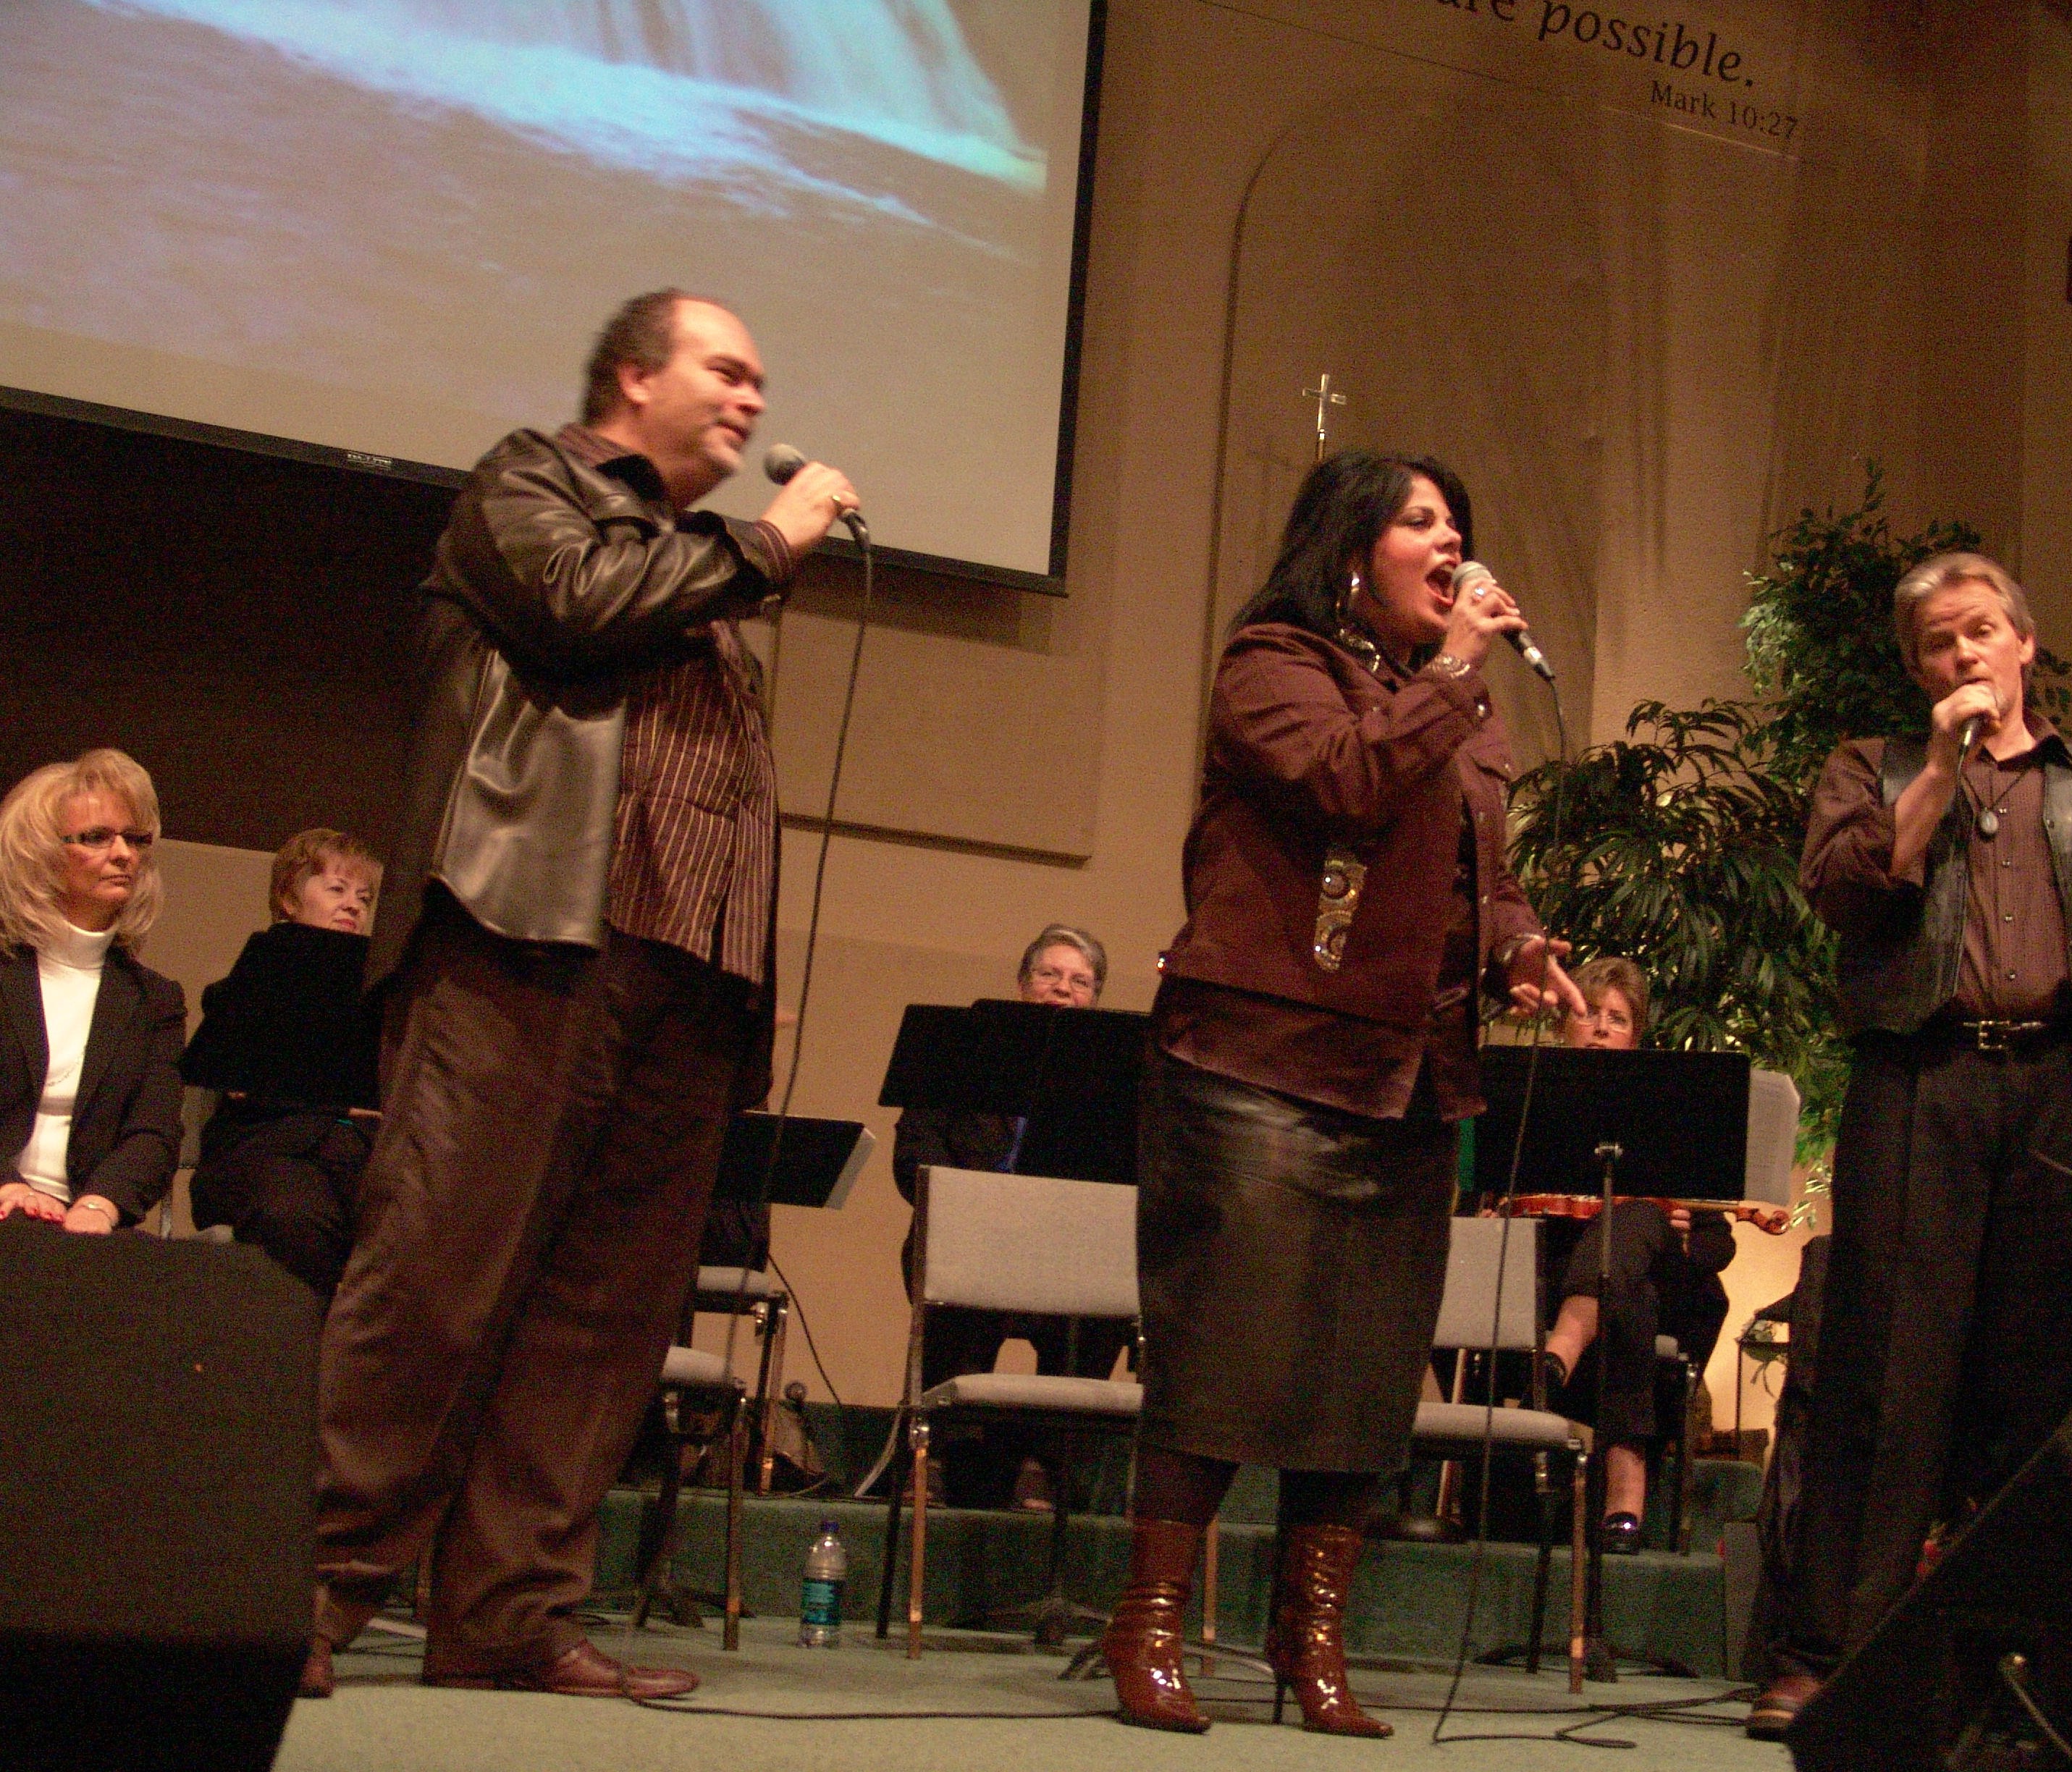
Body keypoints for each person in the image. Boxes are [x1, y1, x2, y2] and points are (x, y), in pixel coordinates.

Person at [303, 289, 858, 1704]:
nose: (751, 398)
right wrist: (768, 543)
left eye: (760, 377)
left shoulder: (688, 564)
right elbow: (572, 606)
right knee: (436, 1276)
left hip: (689, 981)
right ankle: (302, 1588)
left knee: (602, 1323)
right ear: (632, 377)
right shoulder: (530, 484)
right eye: (724, 369)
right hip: (530, 942)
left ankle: (506, 1609)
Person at [1100, 450, 1583, 1736]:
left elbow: (1481, 874)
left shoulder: (1456, 706)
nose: (1452, 543)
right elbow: (1343, 783)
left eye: (1457, 524)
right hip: (1260, 1062)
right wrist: (1453, 673)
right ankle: (1148, 1623)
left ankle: (1308, 1640)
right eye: (1420, 522)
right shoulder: (1273, 662)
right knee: (1223, 1352)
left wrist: (1519, 946)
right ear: (1351, 549)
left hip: (1407, 1079)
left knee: (1365, 1378)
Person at [1751, 552, 2072, 1739]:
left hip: (2062, 1090)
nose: (1961, 654)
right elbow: (1844, 894)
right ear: (1917, 668)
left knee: (2050, 1379)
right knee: (1881, 1374)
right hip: (1922, 1080)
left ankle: (2015, 1668)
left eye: (1978, 632)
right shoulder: (1870, 768)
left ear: (2022, 642)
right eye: (1936, 643)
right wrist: (1938, 771)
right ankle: (1825, 1656)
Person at [890, 922, 1129, 1510]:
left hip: (1064, 1254)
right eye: (1049, 974)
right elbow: (913, 1156)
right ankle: (940, 1455)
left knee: (1105, 1300)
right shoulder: (961, 1055)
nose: (1063, 989)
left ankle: (1046, 1464)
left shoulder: (1113, 1081)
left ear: (1095, 998)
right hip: (970, 1241)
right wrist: (977, 1213)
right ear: (1022, 984)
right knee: (957, 1277)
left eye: (1080, 981)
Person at [1536, 957, 1736, 1552]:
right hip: (1555, 1278)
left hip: (1662, 1277)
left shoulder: (1666, 1117)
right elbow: (1481, 1200)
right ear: (1564, 1025)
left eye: (1617, 1019)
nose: (1600, 1028)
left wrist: (1681, 1236)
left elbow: (1717, 1242)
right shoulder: (1531, 1106)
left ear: (1635, 1037)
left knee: (1639, 1216)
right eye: (1589, 1013)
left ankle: (1563, 1347)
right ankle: (1628, 1481)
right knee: (1628, 1294)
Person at [182, 830, 384, 1305]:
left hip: (354, 1156)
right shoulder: (252, 982)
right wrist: (341, 1107)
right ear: (289, 900)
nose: (353, 905)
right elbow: (236, 1079)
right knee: (295, 1216)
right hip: (263, 1151)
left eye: (364, 897)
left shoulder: (383, 994)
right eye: (337, 889)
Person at [0, 750, 185, 1237]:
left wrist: (99, 1207)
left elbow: (154, 1134)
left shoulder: (156, 1000)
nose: (124, 854)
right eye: (97, 837)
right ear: (39, 854)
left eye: (135, 839)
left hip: (84, 1227)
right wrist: (9, 1188)